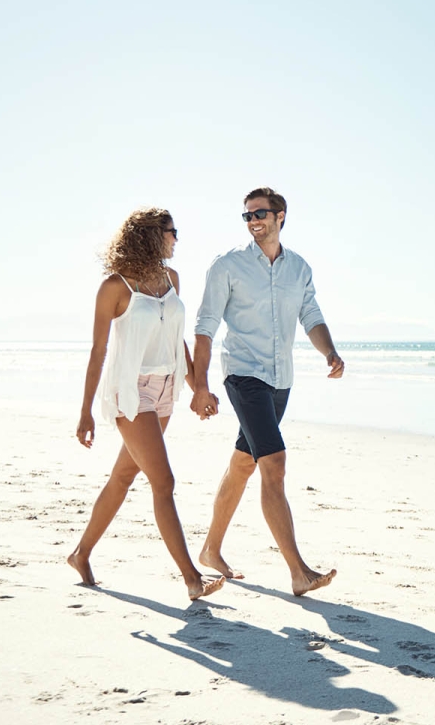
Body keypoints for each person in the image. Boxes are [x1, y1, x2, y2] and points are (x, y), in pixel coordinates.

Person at [190, 187, 342, 597]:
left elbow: (311, 315)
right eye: (247, 216)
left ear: (281, 216)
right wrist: (199, 385)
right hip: (243, 374)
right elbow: (205, 325)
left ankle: (210, 549)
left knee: (244, 463)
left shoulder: (298, 268)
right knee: (273, 463)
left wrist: (329, 351)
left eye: (260, 213)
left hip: (281, 380)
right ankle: (298, 571)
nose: (253, 221)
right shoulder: (229, 265)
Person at [67, 207, 224, 600]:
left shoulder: (172, 279)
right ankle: (191, 577)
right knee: (164, 482)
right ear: (152, 235)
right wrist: (86, 410)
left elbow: (178, 340)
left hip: (167, 389)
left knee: (123, 477)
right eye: (172, 232)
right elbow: (98, 351)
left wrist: (198, 387)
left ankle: (81, 554)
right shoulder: (115, 287)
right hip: (131, 394)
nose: (176, 239)